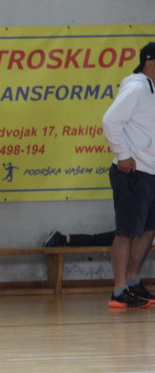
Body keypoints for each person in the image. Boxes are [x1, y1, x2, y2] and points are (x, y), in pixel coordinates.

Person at [101, 41, 155, 309]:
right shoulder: (136, 87)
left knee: (148, 230)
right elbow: (110, 120)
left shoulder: (151, 90)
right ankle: (119, 290)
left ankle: (133, 282)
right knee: (126, 232)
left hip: (151, 172)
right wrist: (123, 155)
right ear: (150, 63)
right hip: (134, 172)